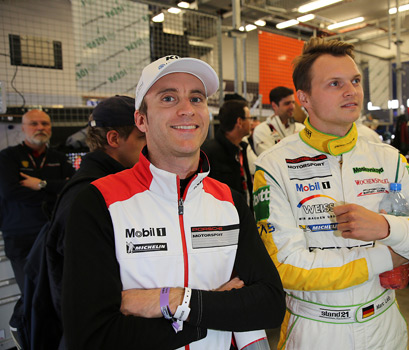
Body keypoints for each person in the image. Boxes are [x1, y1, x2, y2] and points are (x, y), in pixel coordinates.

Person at [62, 55, 285, 350]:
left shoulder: (227, 200)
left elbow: (269, 304)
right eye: (168, 98)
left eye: (196, 98)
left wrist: (174, 300)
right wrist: (214, 310)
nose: (186, 110)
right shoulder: (98, 202)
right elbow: (92, 335)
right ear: (141, 120)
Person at [253, 38, 409, 350]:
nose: (351, 91)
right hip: (316, 330)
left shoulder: (388, 157)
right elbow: (287, 269)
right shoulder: (273, 166)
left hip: (385, 325)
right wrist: (388, 253)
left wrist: (386, 228)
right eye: (335, 83)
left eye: (356, 81)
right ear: (303, 97)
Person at [17, 95, 146, 350]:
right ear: (113, 139)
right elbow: (75, 293)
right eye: (141, 138)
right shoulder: (88, 195)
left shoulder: (115, 184)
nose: (150, 145)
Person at [0, 109, 75, 291]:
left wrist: (41, 184)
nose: (40, 127)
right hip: (21, 237)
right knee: (31, 293)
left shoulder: (59, 158)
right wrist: (55, 190)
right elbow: (10, 192)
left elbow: (73, 189)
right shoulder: (7, 158)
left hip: (55, 234)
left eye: (45, 124)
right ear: (23, 128)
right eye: (34, 124)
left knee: (59, 292)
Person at [202, 99, 254, 209]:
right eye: (250, 118)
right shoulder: (208, 152)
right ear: (239, 122)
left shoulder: (241, 149)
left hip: (243, 217)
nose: (252, 123)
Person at [252, 86, 304, 156]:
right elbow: (269, 158)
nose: (292, 107)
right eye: (287, 103)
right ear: (274, 105)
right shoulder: (262, 130)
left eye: (293, 102)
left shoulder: (300, 128)